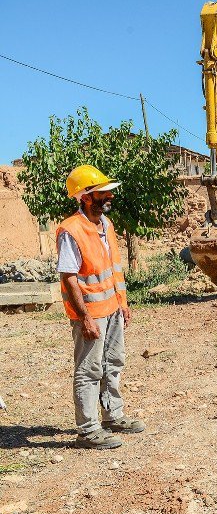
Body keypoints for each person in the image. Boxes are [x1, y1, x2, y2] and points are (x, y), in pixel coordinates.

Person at [56, 165, 145, 450]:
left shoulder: (106, 225)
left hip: (113, 309)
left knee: (113, 363)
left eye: (107, 191)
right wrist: (85, 317)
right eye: (102, 192)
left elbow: (112, 269)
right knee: (89, 369)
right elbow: (68, 277)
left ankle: (112, 416)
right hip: (90, 314)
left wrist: (122, 302)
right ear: (84, 197)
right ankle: (88, 430)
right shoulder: (71, 230)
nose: (109, 196)